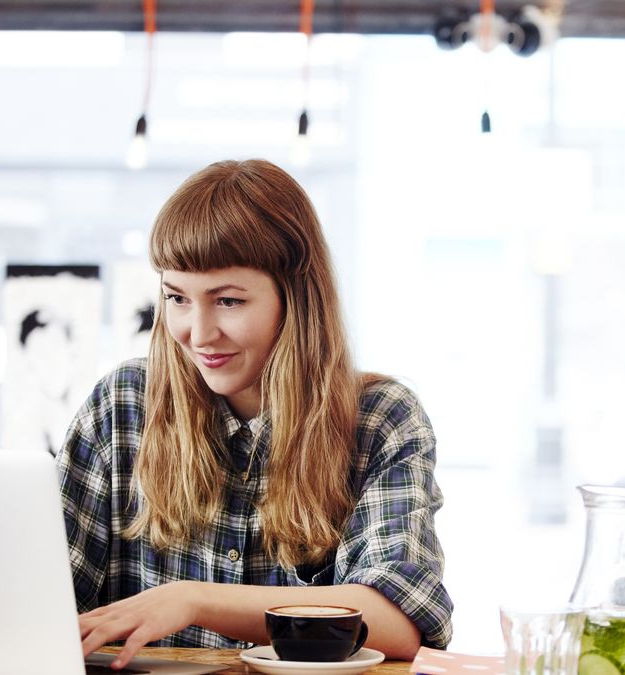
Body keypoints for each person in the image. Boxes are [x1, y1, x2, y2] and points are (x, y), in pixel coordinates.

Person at [56, 159, 452, 670]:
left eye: (228, 301)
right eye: (177, 298)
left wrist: (194, 600)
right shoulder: (122, 405)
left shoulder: (380, 420)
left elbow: (398, 619)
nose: (198, 334)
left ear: (296, 298)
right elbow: (39, 597)